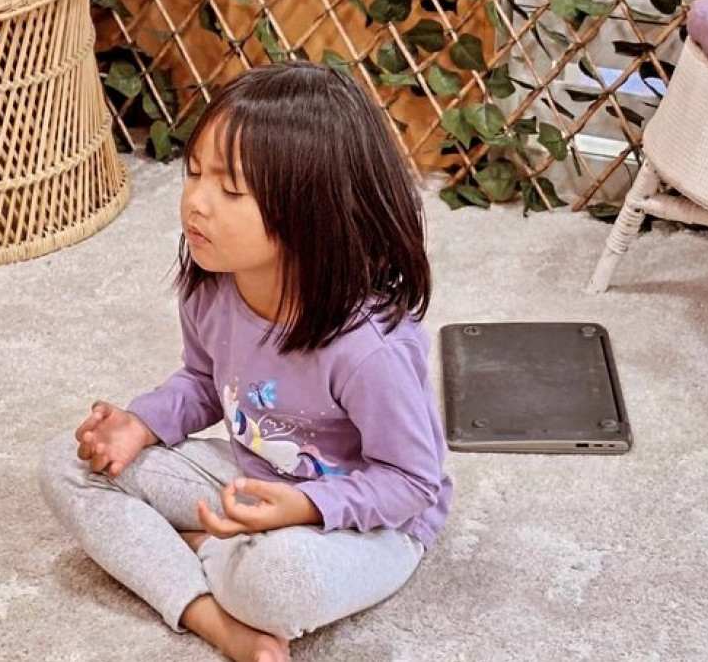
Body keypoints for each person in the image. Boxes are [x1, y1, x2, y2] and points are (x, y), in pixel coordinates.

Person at [38, 61, 453, 662]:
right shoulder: (213, 286)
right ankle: (215, 620)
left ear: (314, 212)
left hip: (371, 522)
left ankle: (196, 549)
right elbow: (207, 381)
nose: (195, 204)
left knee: (277, 583)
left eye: (230, 190)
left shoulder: (370, 348)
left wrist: (306, 508)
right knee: (70, 464)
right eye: (194, 174)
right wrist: (142, 424)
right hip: (250, 480)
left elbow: (412, 482)